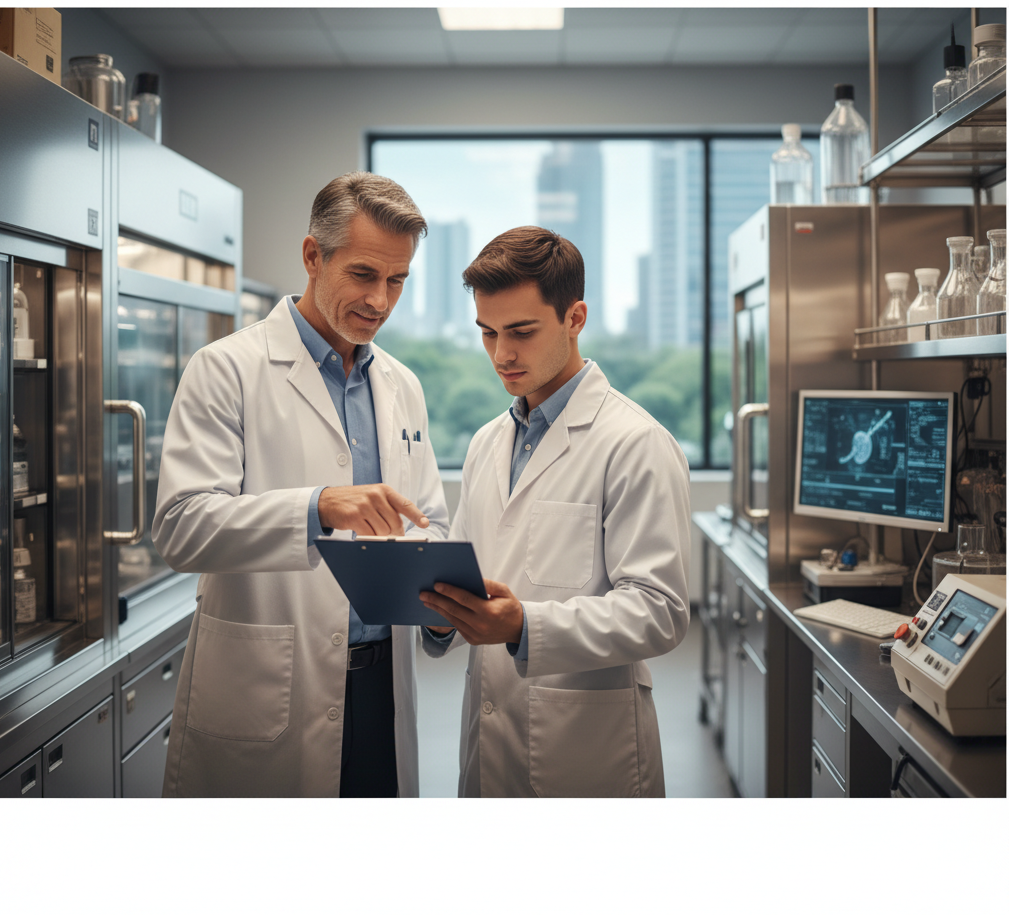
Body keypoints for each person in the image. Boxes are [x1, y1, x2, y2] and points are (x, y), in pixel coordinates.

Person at [152, 172, 449, 797]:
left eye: (397, 280)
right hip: (270, 689)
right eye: (365, 274)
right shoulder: (227, 369)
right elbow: (181, 527)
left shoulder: (402, 385)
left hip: (381, 689)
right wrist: (318, 508)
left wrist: (442, 606)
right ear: (313, 256)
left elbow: (429, 523)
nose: (381, 301)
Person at [420, 227, 690, 797]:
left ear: (575, 318)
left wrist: (524, 625)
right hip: (491, 736)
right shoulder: (485, 444)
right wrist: (441, 613)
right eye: (488, 333)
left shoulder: (635, 442)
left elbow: (660, 610)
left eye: (521, 331)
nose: (502, 354)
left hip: (588, 750)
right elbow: (470, 573)